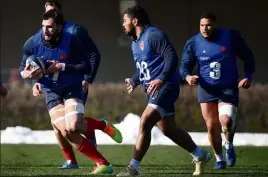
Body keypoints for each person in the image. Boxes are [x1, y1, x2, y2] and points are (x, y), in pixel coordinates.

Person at [19, 10, 122, 174]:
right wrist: (29, 75)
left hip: (72, 88)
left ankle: (102, 125)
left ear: (59, 27)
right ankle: (104, 164)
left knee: (73, 125)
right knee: (66, 131)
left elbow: (86, 66)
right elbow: (22, 68)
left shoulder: (72, 41)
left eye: (50, 27)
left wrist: (63, 66)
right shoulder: (32, 43)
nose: (45, 30)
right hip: (52, 92)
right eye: (43, 26)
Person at [117, 6, 211, 177]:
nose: (123, 24)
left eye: (125, 20)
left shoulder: (153, 35)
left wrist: (161, 79)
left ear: (135, 21)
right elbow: (143, 68)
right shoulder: (135, 43)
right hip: (154, 90)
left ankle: (133, 168)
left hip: (166, 86)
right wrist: (134, 80)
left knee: (145, 121)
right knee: (169, 129)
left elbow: (172, 57)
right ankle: (200, 155)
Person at [31, 0, 103, 169]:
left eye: (53, 11)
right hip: (53, 88)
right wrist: (36, 81)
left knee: (74, 125)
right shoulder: (41, 35)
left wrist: (87, 78)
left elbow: (94, 55)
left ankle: (97, 157)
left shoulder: (76, 31)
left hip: (74, 84)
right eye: (47, 11)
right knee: (58, 125)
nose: (50, 15)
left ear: (59, 13)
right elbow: (37, 61)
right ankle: (71, 161)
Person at [180, 13, 255, 169]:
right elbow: (184, 66)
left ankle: (228, 145)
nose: (205, 28)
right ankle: (219, 158)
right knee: (211, 126)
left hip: (228, 86)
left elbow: (248, 55)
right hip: (206, 88)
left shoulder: (230, 36)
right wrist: (187, 77)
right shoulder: (194, 42)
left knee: (226, 121)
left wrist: (248, 76)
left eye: (208, 25)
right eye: (202, 25)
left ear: (214, 25)